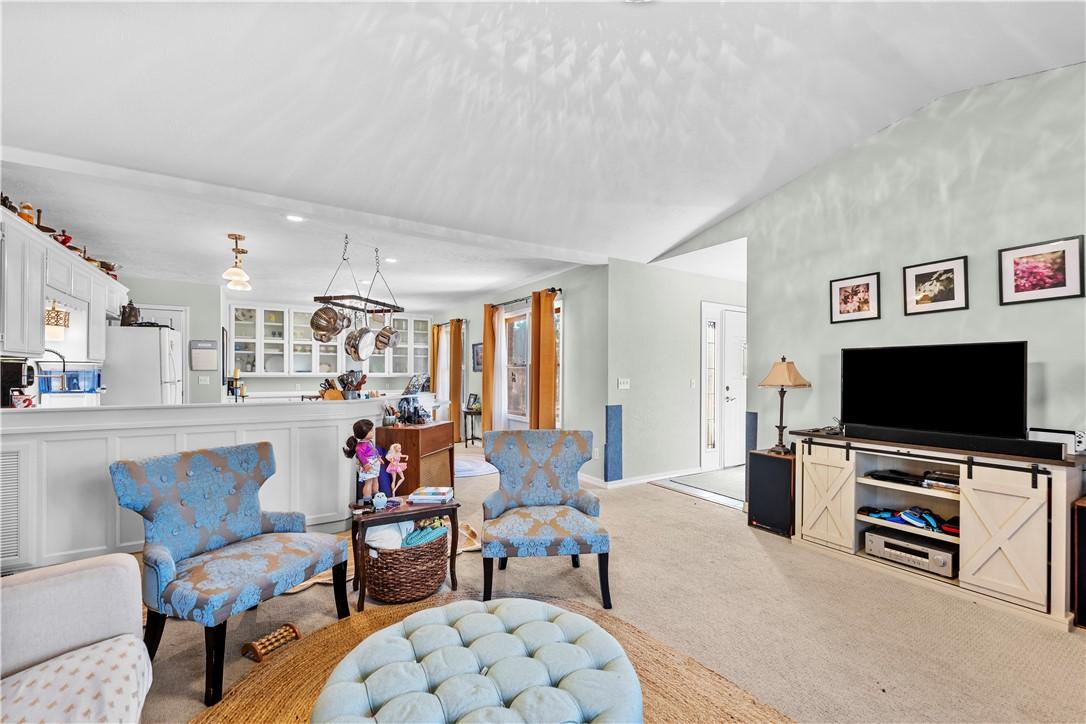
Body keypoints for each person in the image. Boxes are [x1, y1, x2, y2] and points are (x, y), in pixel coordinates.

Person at [343, 419, 381, 504]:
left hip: (374, 464)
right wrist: (366, 464)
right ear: (363, 433)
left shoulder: (369, 442)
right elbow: (360, 456)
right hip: (368, 465)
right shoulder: (360, 446)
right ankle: (367, 500)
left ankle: (376, 495)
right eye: (370, 431)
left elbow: (374, 450)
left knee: (375, 480)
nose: (373, 432)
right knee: (368, 482)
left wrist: (378, 457)